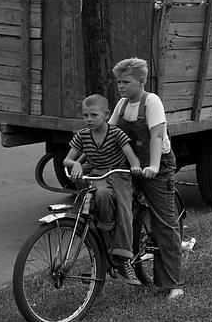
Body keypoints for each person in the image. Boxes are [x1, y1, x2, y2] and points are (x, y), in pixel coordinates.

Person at [110, 57, 185, 301]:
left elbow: (156, 136)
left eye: (126, 82)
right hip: (131, 166)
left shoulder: (152, 102)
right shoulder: (121, 105)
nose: (121, 86)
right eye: (118, 82)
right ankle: (123, 260)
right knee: (118, 209)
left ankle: (174, 283)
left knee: (164, 222)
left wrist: (152, 165)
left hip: (158, 165)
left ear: (141, 81)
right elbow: (108, 132)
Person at [63, 94, 142, 285]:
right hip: (97, 174)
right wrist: (76, 165)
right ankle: (106, 238)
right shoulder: (82, 135)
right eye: (85, 115)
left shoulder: (116, 134)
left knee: (124, 212)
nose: (88, 119)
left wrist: (136, 167)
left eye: (93, 115)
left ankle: (123, 259)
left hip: (118, 174)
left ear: (106, 115)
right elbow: (67, 159)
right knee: (100, 197)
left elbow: (133, 160)